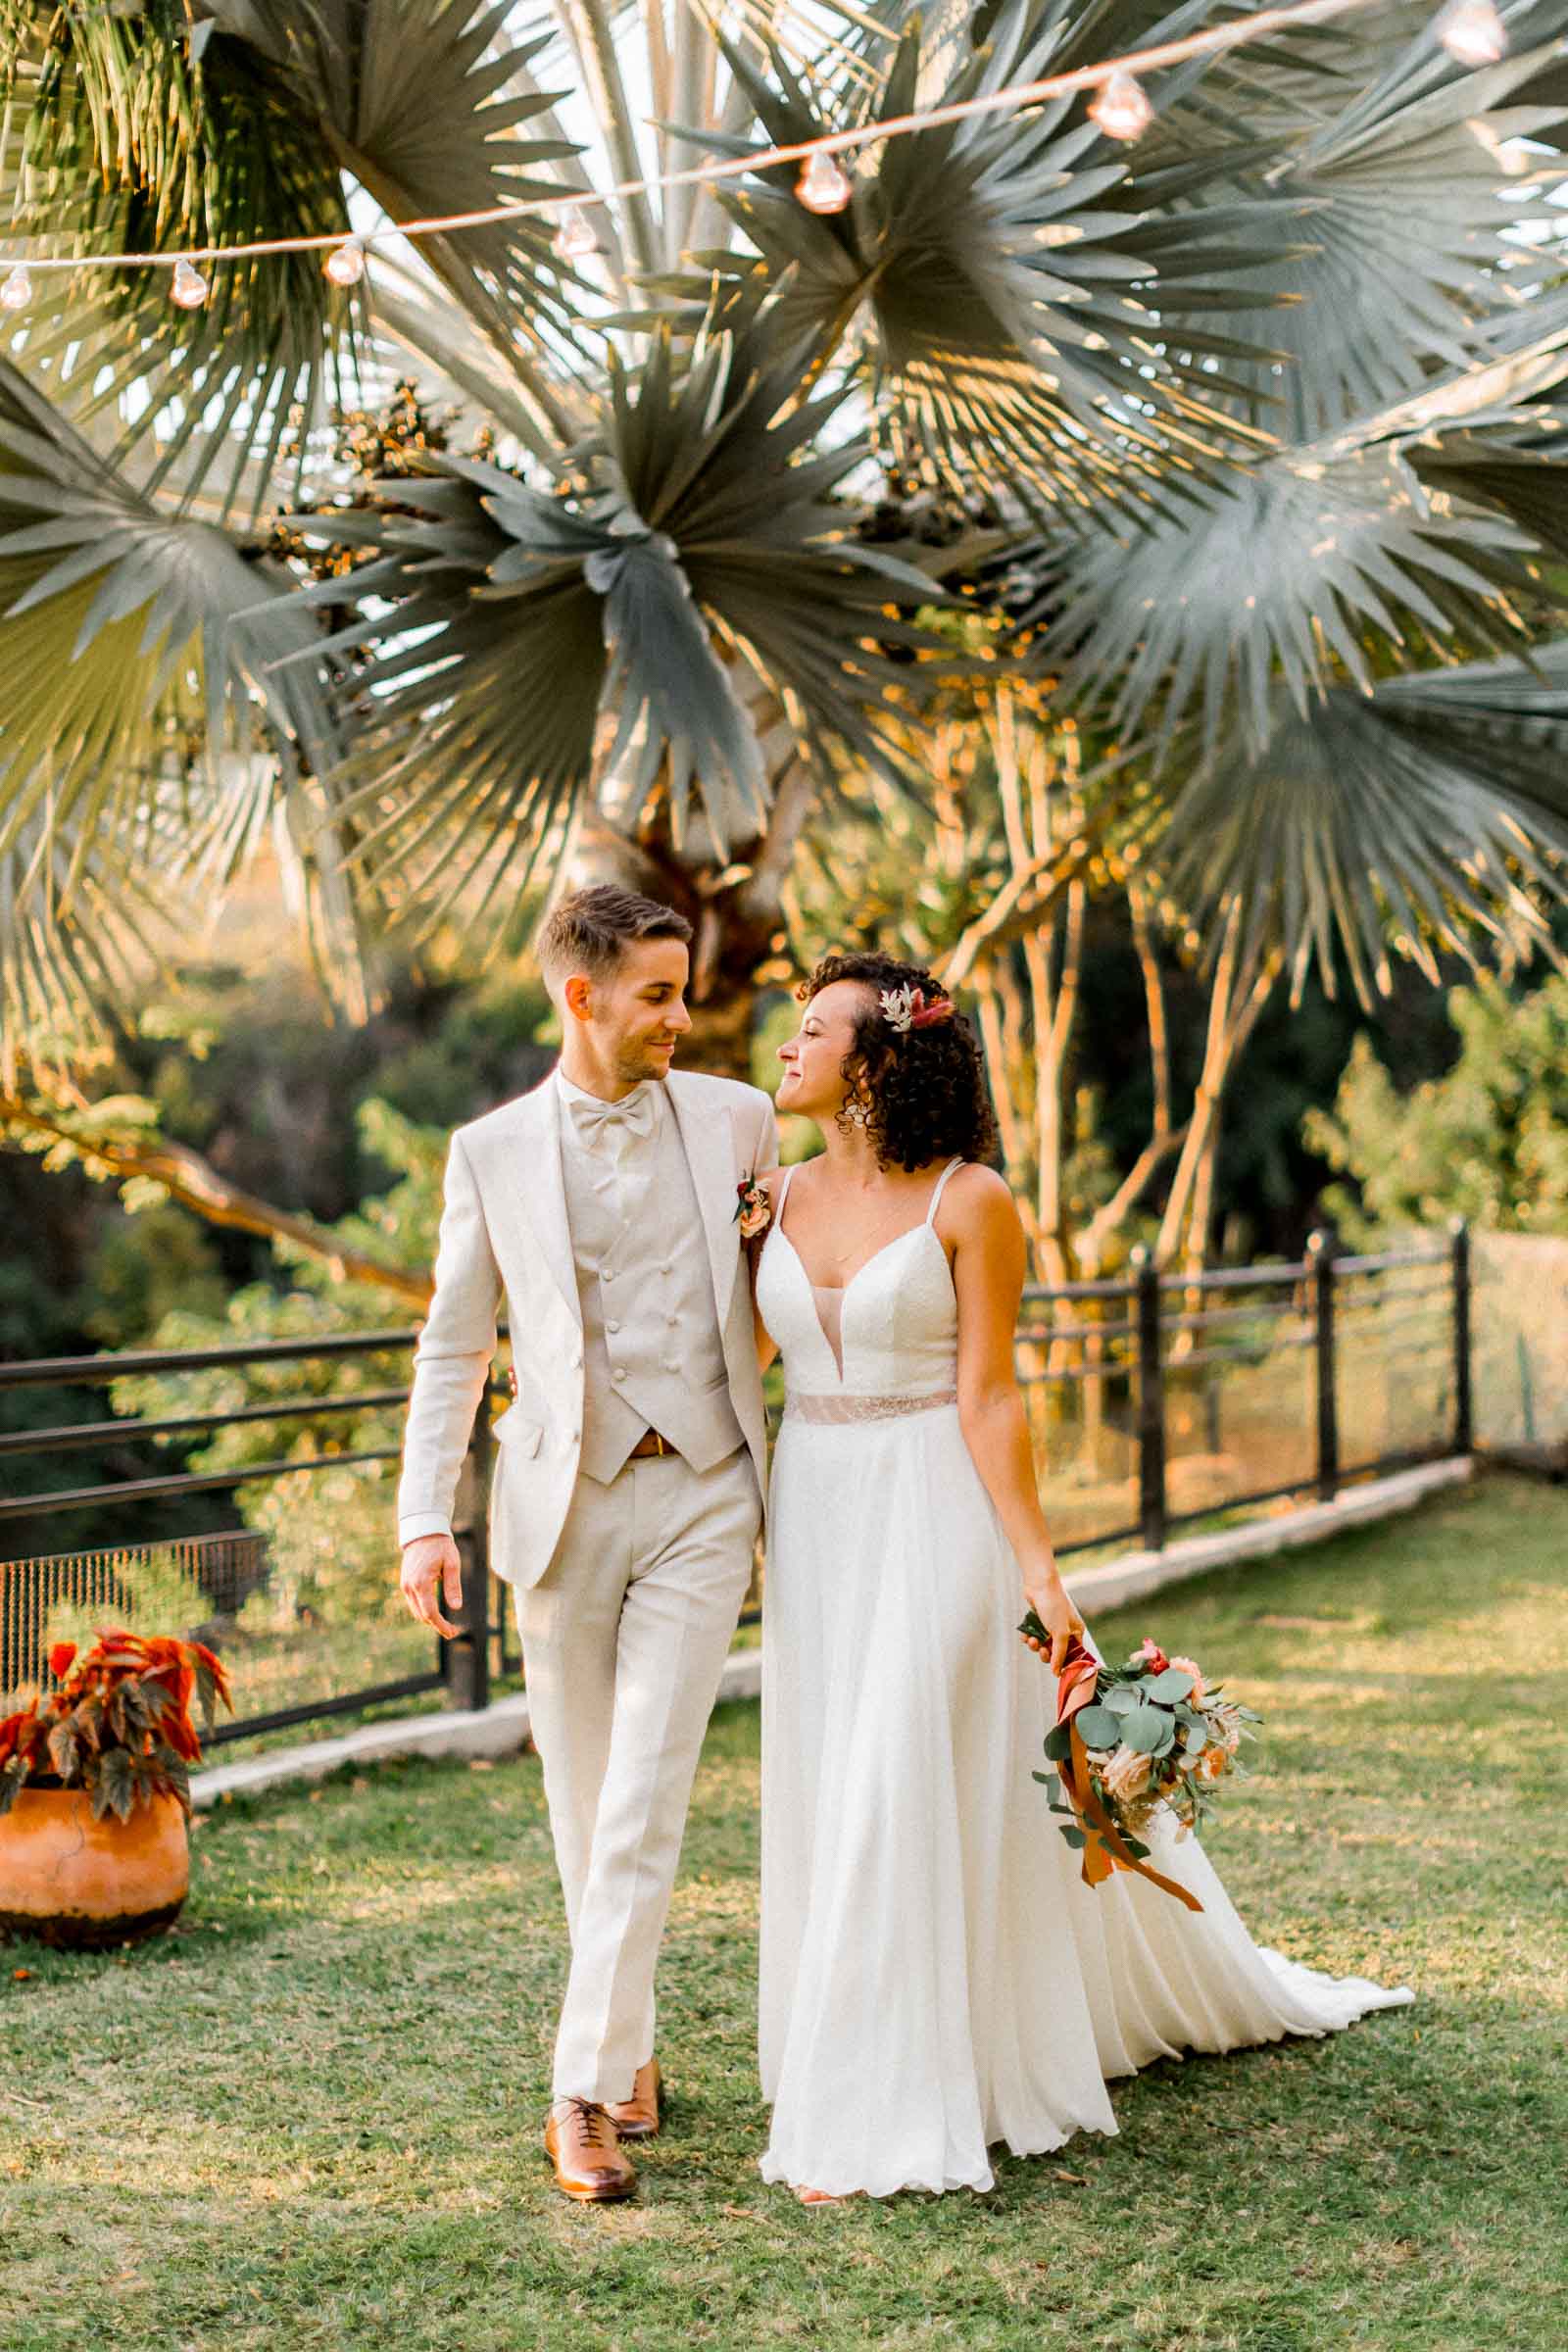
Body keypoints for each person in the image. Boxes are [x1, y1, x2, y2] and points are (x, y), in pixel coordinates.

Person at [751, 950, 1413, 2203]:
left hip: (936, 1504)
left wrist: (1041, 1577)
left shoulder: (970, 1201)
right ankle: (882, 2041)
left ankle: (876, 2104)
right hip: (817, 1515)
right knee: (838, 1774)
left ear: (876, 1062)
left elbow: (992, 1397)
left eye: (814, 1030)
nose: (787, 1049)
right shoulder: (766, 1197)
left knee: (900, 1771)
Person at [397, 884, 776, 2205]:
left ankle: (578, 2096)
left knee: (646, 1794)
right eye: (658, 995)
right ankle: (633, 2047)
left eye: (686, 992)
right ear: (583, 996)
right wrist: (422, 1517)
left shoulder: (739, 1120)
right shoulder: (491, 1151)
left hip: (706, 1494)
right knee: (582, 1807)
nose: (683, 1015)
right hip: (559, 1505)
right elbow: (454, 1343)